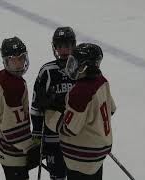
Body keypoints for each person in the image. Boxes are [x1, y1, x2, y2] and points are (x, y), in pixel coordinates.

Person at [47, 43, 117, 180]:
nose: (71, 67)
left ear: (86, 67)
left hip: (82, 159)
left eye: (75, 63)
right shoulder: (101, 81)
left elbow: (68, 129)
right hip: (98, 154)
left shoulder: (80, 92)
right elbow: (111, 110)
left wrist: (50, 114)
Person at [0, 36, 39, 180]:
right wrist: (30, 147)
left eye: (21, 58)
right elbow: (12, 127)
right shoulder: (14, 86)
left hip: (2, 143)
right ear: (6, 61)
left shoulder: (0, 76)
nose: (19, 63)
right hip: (13, 151)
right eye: (14, 60)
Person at [30, 26, 77, 180]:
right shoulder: (47, 71)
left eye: (67, 45)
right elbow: (36, 107)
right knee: (57, 176)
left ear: (73, 46)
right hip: (52, 138)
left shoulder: (81, 70)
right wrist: (37, 137)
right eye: (60, 46)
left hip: (76, 137)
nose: (64, 50)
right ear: (55, 47)